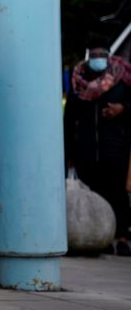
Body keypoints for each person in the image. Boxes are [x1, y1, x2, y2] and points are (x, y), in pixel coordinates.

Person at [64, 38, 131, 256]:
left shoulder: (122, 80)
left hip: (115, 148)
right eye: (94, 55)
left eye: (102, 55)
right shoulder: (78, 82)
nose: (98, 60)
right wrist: (68, 152)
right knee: (92, 194)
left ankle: (122, 237)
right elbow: (68, 120)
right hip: (85, 151)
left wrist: (122, 109)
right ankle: (98, 237)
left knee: (117, 194)